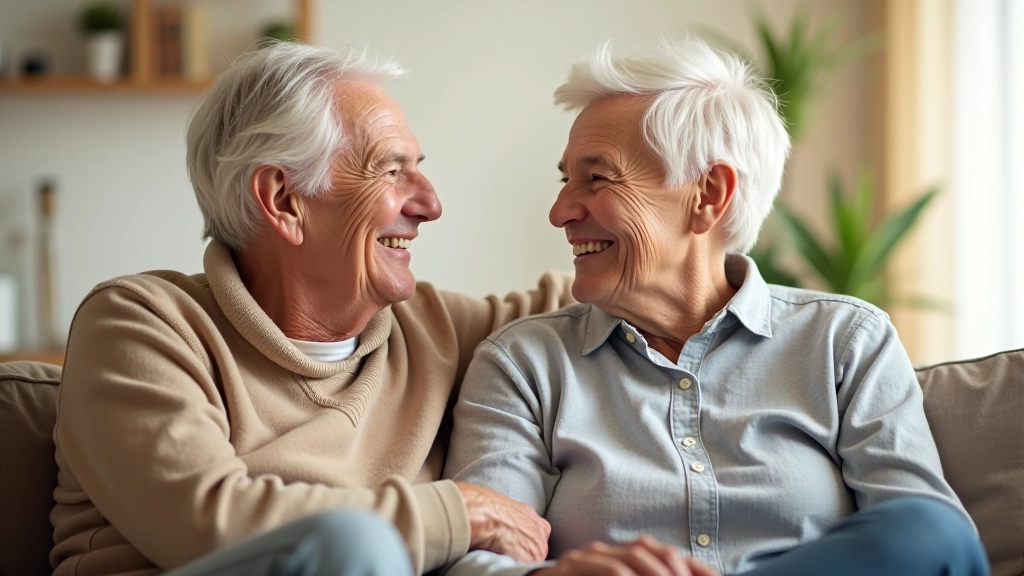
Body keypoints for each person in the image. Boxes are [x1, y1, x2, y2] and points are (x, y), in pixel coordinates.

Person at [444, 40, 989, 576]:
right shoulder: (522, 363)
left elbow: (930, 541)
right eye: (566, 179)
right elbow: (475, 559)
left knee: (927, 527)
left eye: (597, 177)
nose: (560, 211)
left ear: (708, 194)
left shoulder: (844, 339)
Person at [50, 42, 566, 576]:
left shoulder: (430, 332)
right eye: (391, 171)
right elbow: (208, 522)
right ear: (283, 201)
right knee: (351, 544)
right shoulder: (141, 323)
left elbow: (605, 293)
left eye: (419, 169)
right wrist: (458, 513)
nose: (430, 205)